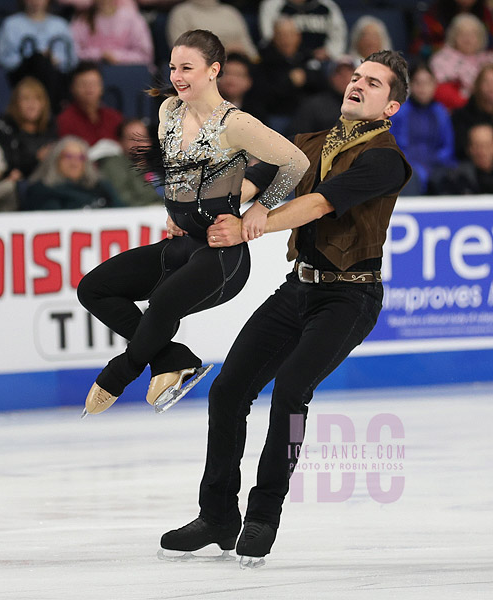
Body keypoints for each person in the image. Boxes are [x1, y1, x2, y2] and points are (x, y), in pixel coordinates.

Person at [160, 49, 412, 563]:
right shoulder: (307, 144)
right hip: (298, 288)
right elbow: (252, 181)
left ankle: (262, 515)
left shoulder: (385, 159)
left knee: (292, 392)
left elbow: (319, 203)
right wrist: (201, 213)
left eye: (374, 83)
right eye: (356, 76)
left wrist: (256, 224)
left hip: (350, 296)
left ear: (391, 108)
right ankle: (217, 516)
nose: (358, 84)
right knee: (228, 390)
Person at [76, 29, 309, 416]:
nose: (177, 76)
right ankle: (173, 360)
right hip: (182, 244)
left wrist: (261, 207)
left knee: (162, 304)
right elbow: (176, 169)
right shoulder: (169, 110)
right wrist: (175, 206)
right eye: (172, 67)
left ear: (214, 70)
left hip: (222, 254)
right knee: (94, 289)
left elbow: (296, 162)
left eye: (187, 67)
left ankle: (119, 374)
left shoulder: (235, 123)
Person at [390, 62, 455, 195]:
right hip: (407, 168)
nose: (422, 88)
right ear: (410, 86)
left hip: (437, 166)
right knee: (411, 178)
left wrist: (433, 164)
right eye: (418, 83)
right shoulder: (399, 113)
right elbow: (393, 146)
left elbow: (447, 147)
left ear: (434, 85)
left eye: (427, 83)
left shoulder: (441, 112)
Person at [22, 135, 124, 209]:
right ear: (55, 160)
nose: (75, 163)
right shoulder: (42, 190)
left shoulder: (99, 186)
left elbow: (122, 211)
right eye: (68, 156)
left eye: (80, 157)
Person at [0, 76, 58, 180]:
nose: (31, 104)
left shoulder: (51, 126)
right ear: (16, 103)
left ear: (44, 103)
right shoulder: (5, 129)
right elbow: (8, 168)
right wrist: (37, 158)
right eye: (25, 99)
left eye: (37, 99)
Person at [429, 13, 493, 111]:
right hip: (457, 111)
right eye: (462, 34)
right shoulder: (441, 59)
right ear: (453, 37)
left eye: (473, 34)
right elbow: (440, 91)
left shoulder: (489, 59)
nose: (468, 39)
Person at [96, 118, 164, 206]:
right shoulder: (114, 165)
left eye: (143, 138)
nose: (139, 144)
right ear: (121, 142)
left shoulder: (158, 164)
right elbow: (124, 201)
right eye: (132, 139)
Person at [57, 61, 124, 146]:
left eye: (94, 83)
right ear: (72, 88)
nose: (89, 89)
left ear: (102, 87)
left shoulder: (115, 118)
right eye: (83, 84)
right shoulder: (65, 120)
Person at [70, 0, 154, 67]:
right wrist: (99, 55)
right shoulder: (82, 21)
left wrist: (117, 57)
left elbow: (145, 55)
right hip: (93, 71)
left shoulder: (132, 19)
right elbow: (73, 52)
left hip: (126, 71)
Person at [166, 1, 259, 61]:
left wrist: (248, 55)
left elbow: (250, 49)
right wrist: (224, 51)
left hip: (238, 66)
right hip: (204, 69)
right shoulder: (181, 13)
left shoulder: (231, 12)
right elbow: (181, 51)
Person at [288, 55, 355, 136]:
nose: (345, 77)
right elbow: (298, 136)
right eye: (339, 73)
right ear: (330, 77)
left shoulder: (364, 107)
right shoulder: (313, 105)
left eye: (349, 73)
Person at [259, 0, 347, 61]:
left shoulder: (327, 6)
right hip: (284, 60)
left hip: (323, 61)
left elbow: (339, 35)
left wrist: (329, 52)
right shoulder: (272, 5)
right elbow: (269, 37)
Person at [429, 122, 493, 194]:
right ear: (468, 149)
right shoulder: (455, 179)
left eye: (487, 145)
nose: (482, 152)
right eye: (477, 146)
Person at [452, 63, 493, 159]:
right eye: (487, 82)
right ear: (478, 85)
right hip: (471, 166)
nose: (491, 87)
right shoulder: (462, 115)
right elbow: (460, 149)